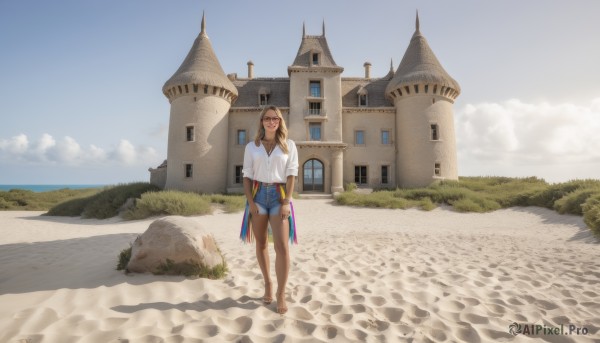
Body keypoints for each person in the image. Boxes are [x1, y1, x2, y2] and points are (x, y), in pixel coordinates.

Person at [240, 105, 299, 314]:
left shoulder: (289, 146)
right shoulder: (251, 147)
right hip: (257, 196)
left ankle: (281, 294)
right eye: (267, 118)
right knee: (262, 243)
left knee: (282, 246)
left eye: (275, 118)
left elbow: (291, 175)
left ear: (280, 121)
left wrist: (286, 202)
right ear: (262, 121)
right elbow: (246, 176)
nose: (271, 121)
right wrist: (251, 202)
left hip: (278, 195)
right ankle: (268, 283)